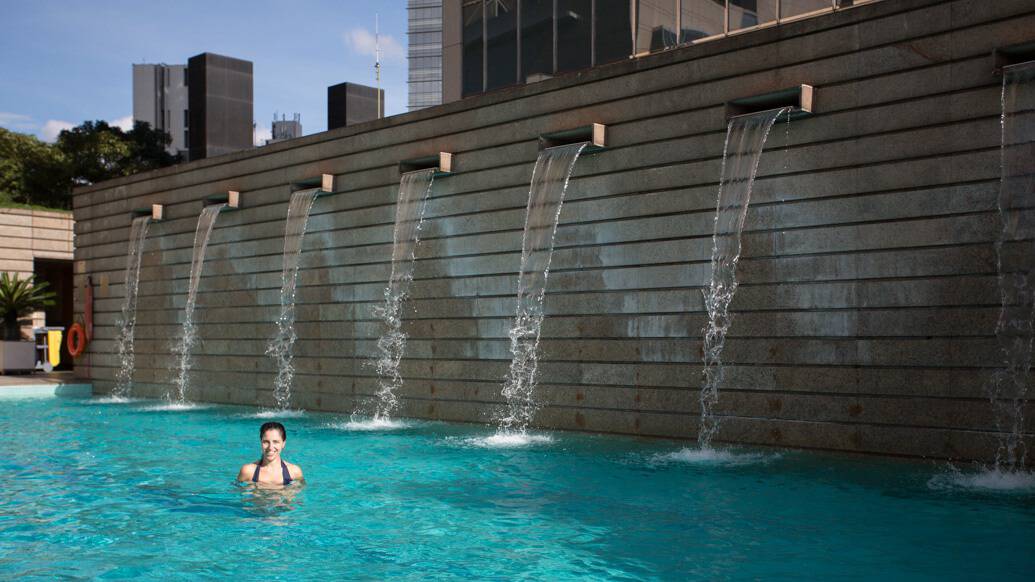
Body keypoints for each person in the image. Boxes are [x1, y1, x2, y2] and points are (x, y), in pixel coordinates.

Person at [237, 421, 304, 487]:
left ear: (283, 443)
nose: (270, 447)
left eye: (276, 442)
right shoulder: (248, 471)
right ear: (261, 442)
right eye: (266, 442)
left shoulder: (294, 472)